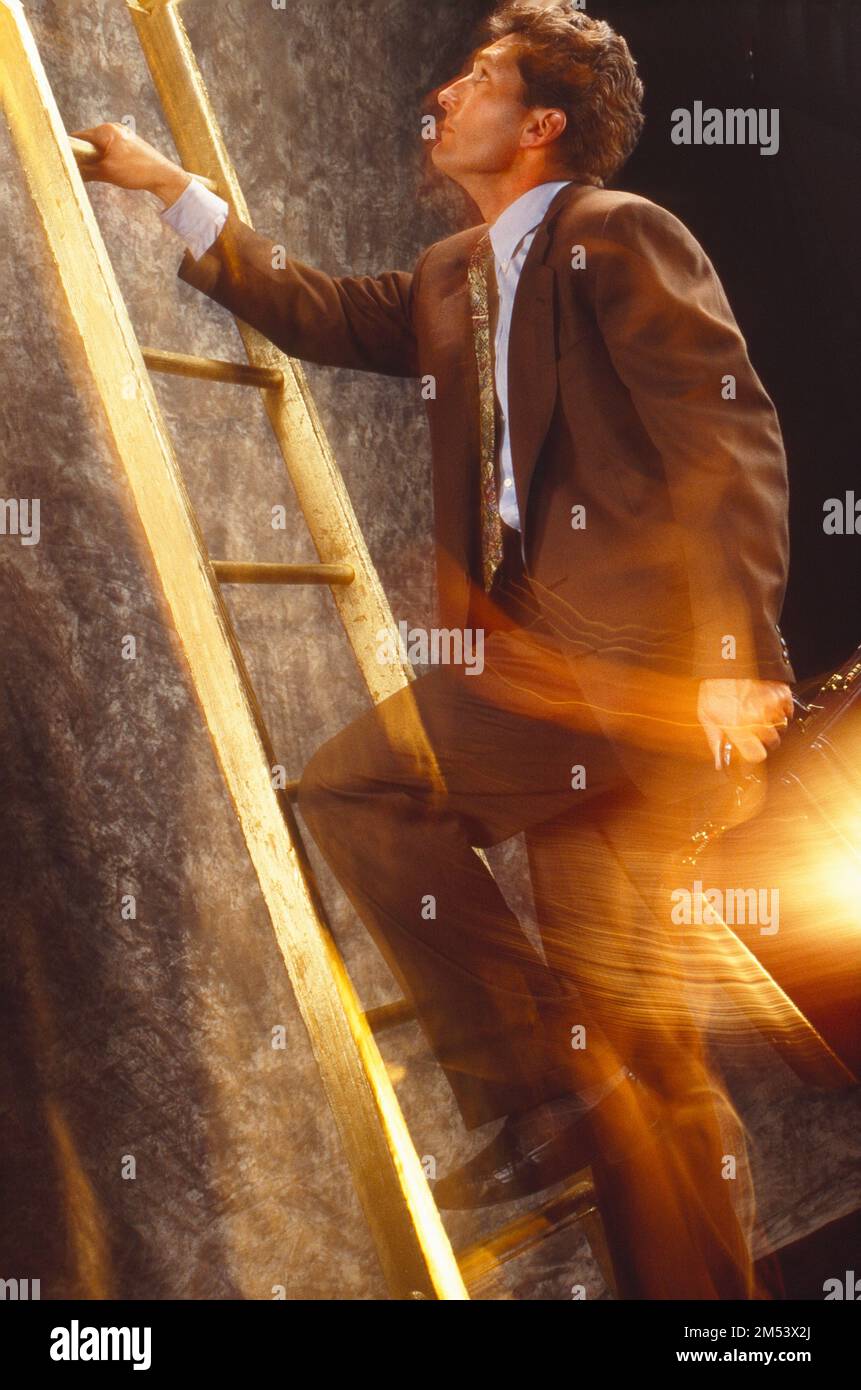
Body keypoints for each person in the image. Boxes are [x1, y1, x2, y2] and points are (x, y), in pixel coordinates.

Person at [72, 1, 796, 1298]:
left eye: (473, 77)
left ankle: (534, 1088)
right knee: (641, 1058)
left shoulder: (619, 236)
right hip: (553, 703)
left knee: (364, 786)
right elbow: (313, 307)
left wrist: (737, 656)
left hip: (628, 683)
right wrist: (168, 185)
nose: (439, 96)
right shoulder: (453, 276)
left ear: (539, 125)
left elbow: (726, 434)